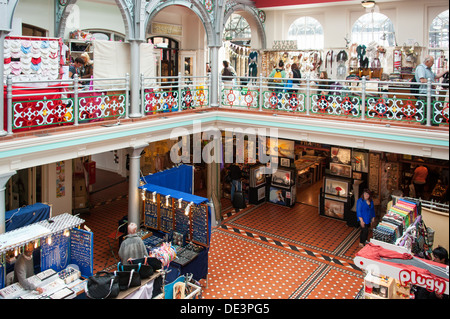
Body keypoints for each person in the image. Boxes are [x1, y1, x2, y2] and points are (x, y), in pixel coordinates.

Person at [414, 55, 447, 125]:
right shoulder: (421, 68)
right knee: (426, 112)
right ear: (427, 61)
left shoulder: (429, 69)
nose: (433, 64)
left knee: (434, 111)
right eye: (432, 62)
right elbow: (422, 80)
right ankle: (426, 127)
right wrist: (432, 84)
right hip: (424, 93)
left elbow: (436, 76)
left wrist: (446, 71)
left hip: (431, 93)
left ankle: (433, 125)